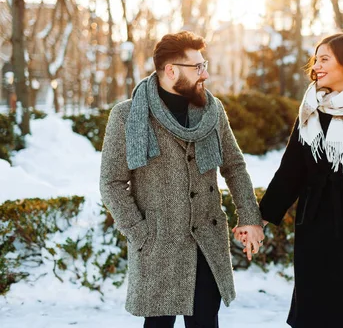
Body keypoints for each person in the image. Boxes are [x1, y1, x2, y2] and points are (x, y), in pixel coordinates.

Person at [100, 31, 264, 328]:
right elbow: (111, 183)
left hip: (206, 241)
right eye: (197, 67)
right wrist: (140, 234)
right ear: (171, 70)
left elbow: (234, 166)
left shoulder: (211, 111)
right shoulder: (127, 116)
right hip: (158, 245)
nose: (206, 73)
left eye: (205, 64)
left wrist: (250, 216)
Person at [243, 33, 343, 328]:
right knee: (317, 315)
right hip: (316, 232)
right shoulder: (312, 109)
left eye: (324, 58)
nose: (316, 65)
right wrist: (258, 221)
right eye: (315, 59)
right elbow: (291, 173)